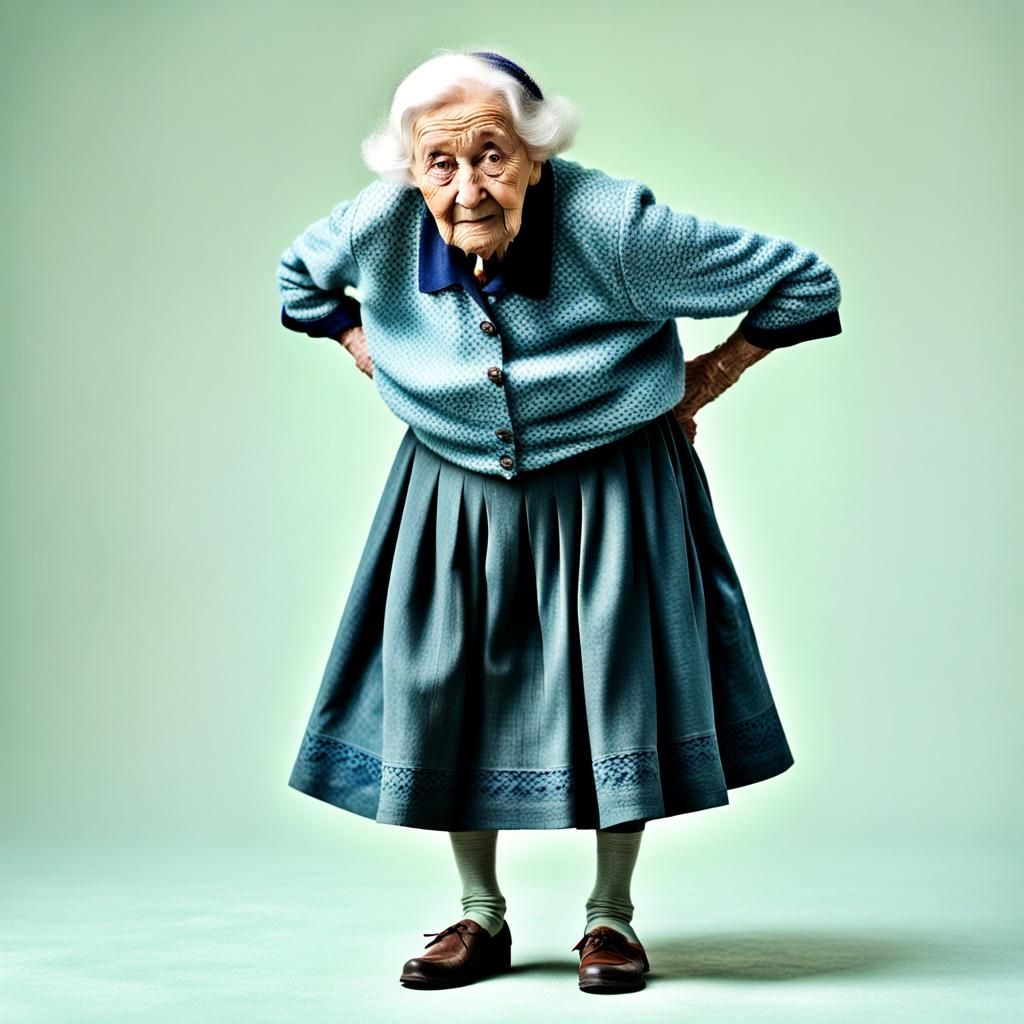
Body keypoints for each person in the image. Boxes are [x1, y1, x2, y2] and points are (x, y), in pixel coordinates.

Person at [276, 48, 842, 995]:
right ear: (411, 168)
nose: (465, 188)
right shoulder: (376, 228)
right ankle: (479, 918)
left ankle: (610, 919)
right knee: (448, 687)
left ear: (537, 156)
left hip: (613, 486)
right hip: (451, 490)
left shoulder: (616, 226)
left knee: (620, 686)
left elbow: (805, 281)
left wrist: (707, 377)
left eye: (491, 155)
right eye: (440, 163)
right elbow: (302, 287)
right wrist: (370, 352)